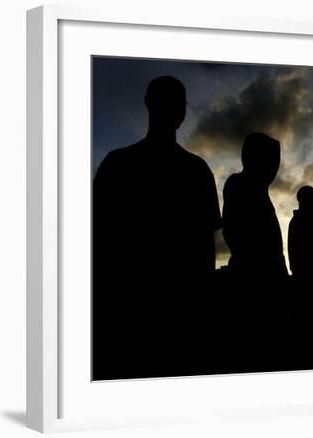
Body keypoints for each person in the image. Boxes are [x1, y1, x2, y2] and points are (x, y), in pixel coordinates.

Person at [92, 76, 221, 379]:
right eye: (172, 101)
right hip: (129, 316)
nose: (176, 109)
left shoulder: (194, 170)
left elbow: (205, 250)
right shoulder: (119, 165)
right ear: (151, 104)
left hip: (172, 317)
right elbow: (98, 242)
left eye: (179, 102)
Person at [222, 132, 287, 280]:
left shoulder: (261, 192)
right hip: (253, 275)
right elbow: (233, 233)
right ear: (253, 158)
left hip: (272, 274)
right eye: (270, 159)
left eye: (276, 160)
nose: (275, 168)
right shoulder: (238, 184)